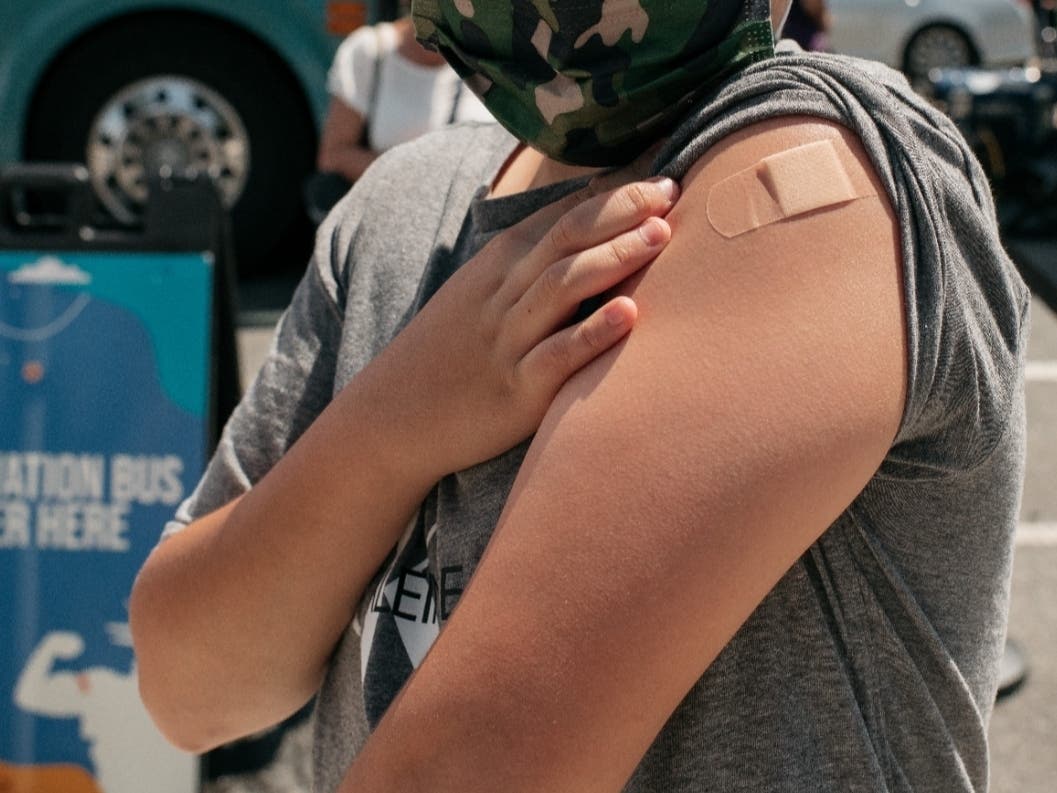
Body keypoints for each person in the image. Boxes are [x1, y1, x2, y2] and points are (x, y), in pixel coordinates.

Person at [130, 1, 1029, 792]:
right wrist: (394, 419)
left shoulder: (819, 166)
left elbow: (472, 765)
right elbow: (188, 686)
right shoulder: (395, 210)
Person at [305, 10, 494, 221]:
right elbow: (333, 155)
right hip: (386, 223)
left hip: (471, 229)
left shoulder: (494, 59)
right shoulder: (370, 50)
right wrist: (419, 182)